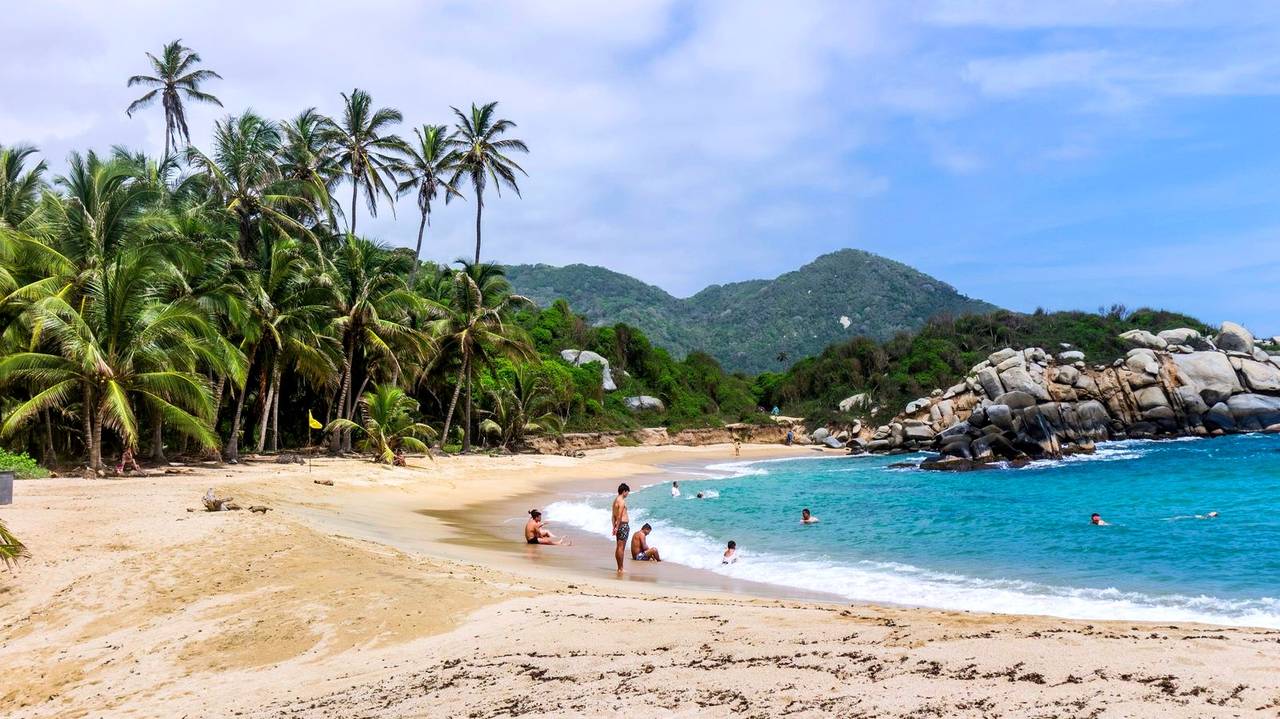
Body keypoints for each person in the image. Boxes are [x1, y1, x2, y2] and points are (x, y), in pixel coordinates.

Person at [612, 483, 631, 572]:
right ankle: (621, 568)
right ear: (624, 491)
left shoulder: (615, 500)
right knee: (621, 548)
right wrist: (617, 527)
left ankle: (619, 567)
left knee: (618, 547)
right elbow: (619, 516)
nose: (628, 494)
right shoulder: (622, 501)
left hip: (618, 525)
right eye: (627, 492)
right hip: (623, 525)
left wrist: (614, 526)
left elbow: (613, 516)